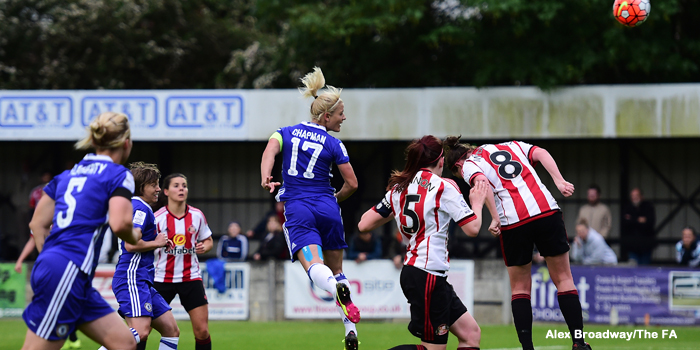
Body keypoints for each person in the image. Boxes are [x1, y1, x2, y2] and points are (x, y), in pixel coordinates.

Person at [444, 137, 591, 350]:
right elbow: (541, 153)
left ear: (457, 165)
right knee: (564, 279)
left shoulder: (468, 164)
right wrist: (558, 180)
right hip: (546, 211)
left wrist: (494, 217)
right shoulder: (510, 145)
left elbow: (482, 184)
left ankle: (527, 348)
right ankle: (578, 342)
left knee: (520, 288)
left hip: (513, 221)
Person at [259, 67, 360, 350]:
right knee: (338, 270)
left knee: (315, 266)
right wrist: (333, 200)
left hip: (298, 208)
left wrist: (266, 176)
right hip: (328, 208)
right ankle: (350, 329)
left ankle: (334, 289)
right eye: (341, 113)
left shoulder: (286, 132)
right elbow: (352, 184)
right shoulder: (334, 143)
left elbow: (270, 150)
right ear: (326, 116)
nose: (344, 117)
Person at [22, 112, 142, 350]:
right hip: (68, 269)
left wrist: (49, 259)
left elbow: (37, 224)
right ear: (126, 143)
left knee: (125, 343)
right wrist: (135, 236)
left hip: (66, 271)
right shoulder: (118, 175)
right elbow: (119, 224)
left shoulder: (66, 176)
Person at [357, 135, 487, 350]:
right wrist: (477, 203)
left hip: (422, 273)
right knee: (433, 348)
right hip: (427, 274)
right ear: (441, 160)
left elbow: (363, 224)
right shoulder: (445, 186)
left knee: (470, 334)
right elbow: (472, 228)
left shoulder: (399, 189)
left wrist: (396, 210)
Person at [105, 162, 180, 350]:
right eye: (153, 184)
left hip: (142, 279)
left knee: (171, 329)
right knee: (141, 331)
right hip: (132, 276)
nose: (158, 189)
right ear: (141, 187)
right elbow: (131, 245)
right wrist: (157, 242)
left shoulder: (137, 206)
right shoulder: (140, 208)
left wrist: (156, 241)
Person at [153, 173, 214, 350]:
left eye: (184, 185)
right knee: (144, 328)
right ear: (166, 191)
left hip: (190, 278)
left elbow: (208, 240)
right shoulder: (157, 218)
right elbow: (145, 244)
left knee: (202, 331)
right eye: (176, 185)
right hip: (161, 279)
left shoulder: (197, 216)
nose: (181, 189)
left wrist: (205, 247)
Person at [620, 188, 656, 265]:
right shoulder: (627, 207)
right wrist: (639, 220)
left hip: (646, 245)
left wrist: (632, 219)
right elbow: (625, 223)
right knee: (633, 267)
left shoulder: (648, 207)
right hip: (632, 246)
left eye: (637, 195)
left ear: (642, 196)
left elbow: (650, 223)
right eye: (632, 196)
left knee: (645, 268)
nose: (634, 198)